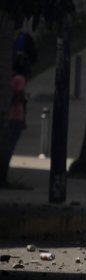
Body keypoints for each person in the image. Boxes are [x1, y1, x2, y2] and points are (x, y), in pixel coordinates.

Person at [0, 53, 30, 186]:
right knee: (9, 147)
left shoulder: (9, 77)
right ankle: (3, 174)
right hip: (16, 116)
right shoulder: (20, 79)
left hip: (8, 116)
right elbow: (19, 97)